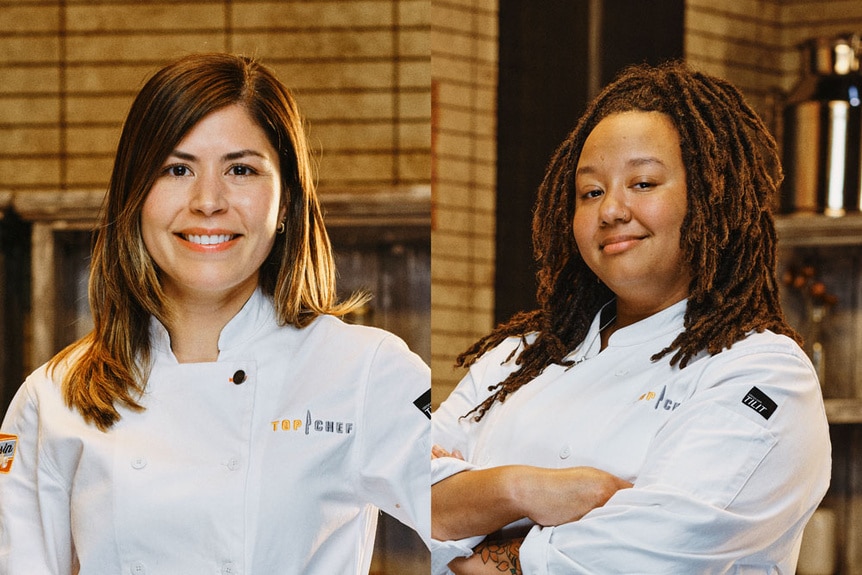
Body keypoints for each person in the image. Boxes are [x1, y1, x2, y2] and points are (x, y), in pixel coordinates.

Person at [0, 53, 430, 574]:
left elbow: (473, 521)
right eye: (177, 169)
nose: (208, 201)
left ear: (287, 200)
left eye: (241, 170)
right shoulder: (51, 398)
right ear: (134, 196)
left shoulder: (365, 371)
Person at [431, 61, 831, 574]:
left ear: (714, 193)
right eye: (591, 192)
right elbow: (398, 499)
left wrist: (463, 546)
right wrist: (524, 489)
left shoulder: (762, 372)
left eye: (642, 183)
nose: (611, 211)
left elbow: (648, 557)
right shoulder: (519, 357)